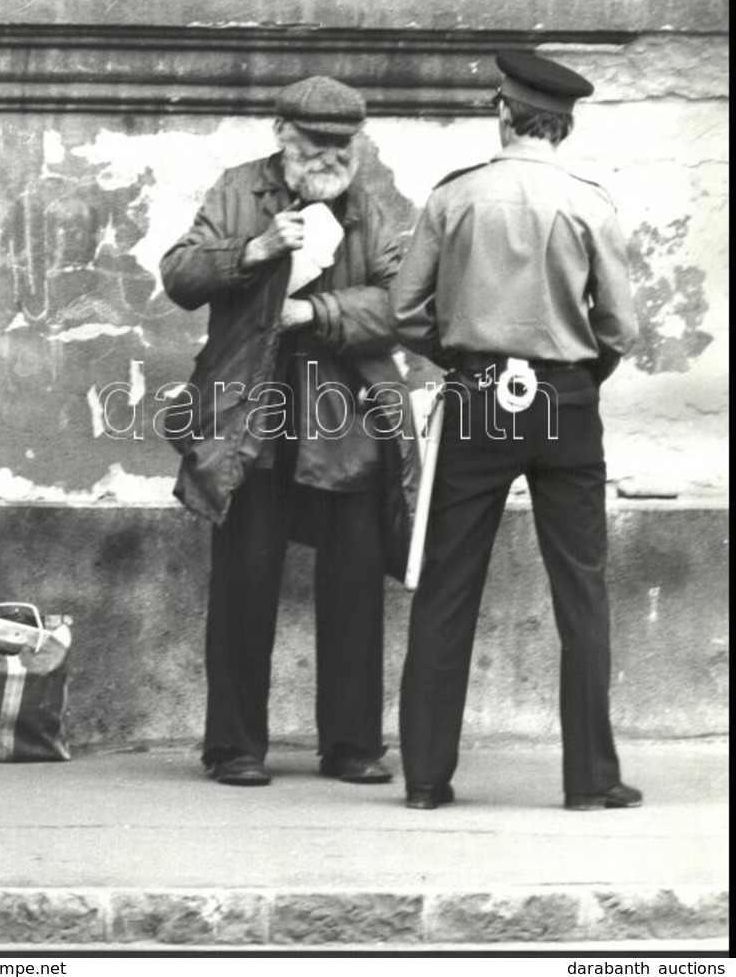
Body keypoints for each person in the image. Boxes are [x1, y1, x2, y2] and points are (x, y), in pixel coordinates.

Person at [391, 49, 642, 811]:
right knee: (581, 591)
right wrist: (573, 380)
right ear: (562, 126)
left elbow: (406, 312)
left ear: (502, 113)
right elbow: (619, 328)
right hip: (564, 405)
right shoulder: (589, 203)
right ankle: (590, 780)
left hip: (474, 399)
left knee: (445, 588)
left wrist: (465, 365)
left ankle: (427, 779)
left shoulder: (452, 198)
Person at [161, 75, 417, 787]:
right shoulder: (239, 190)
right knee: (243, 589)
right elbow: (179, 275)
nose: (331, 158)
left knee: (355, 592)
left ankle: (353, 746)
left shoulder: (378, 201)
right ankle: (235, 748)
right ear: (281, 134)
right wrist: (255, 250)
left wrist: (321, 314)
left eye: (344, 145)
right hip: (254, 423)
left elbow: (409, 303)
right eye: (316, 144)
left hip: (348, 422)